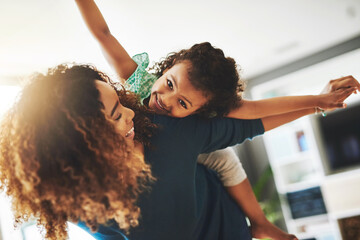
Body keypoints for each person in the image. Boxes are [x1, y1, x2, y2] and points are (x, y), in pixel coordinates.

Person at [74, 1, 360, 239]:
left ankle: (259, 221)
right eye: (170, 84)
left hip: (193, 150)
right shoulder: (141, 81)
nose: (165, 100)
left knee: (224, 158)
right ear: (167, 68)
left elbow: (255, 112)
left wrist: (318, 101)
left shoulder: (189, 124)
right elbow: (103, 34)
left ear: (199, 110)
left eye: (183, 104)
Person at [0, 63, 355, 240]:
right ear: (82, 148)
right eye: (115, 114)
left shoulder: (163, 131)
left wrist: (321, 103)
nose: (129, 112)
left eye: (117, 101)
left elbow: (248, 122)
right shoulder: (89, 210)